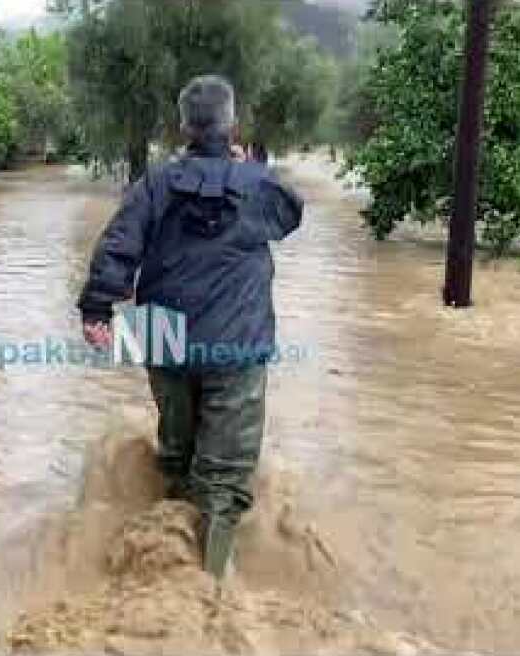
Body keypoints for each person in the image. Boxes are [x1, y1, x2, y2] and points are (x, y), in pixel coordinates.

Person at [77, 75, 304, 577]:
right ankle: (206, 588)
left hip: (161, 336)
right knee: (223, 479)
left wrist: (96, 312)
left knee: (176, 451)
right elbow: (292, 213)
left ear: (183, 128)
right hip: (236, 341)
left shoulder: (155, 184)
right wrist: (251, 168)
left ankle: (162, 552)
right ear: (232, 125)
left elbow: (117, 246)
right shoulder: (259, 187)